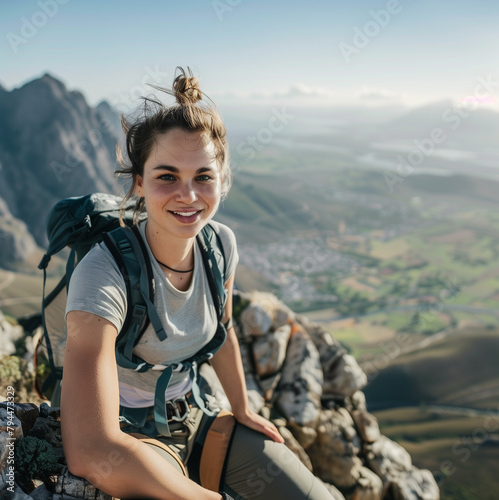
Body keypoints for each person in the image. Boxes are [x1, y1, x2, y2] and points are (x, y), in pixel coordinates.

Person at [60, 67, 334, 500]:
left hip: (200, 415)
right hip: (134, 438)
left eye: (203, 176)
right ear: (139, 183)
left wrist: (242, 407)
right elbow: (91, 450)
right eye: (167, 176)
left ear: (221, 180)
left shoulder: (220, 244)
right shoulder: (102, 275)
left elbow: (221, 335)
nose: (188, 196)